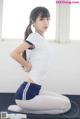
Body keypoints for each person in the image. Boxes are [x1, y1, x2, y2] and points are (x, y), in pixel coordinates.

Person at [8, 6, 71, 114]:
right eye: (41, 19)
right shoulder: (34, 37)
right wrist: (27, 65)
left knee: (67, 101)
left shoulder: (41, 40)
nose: (46, 22)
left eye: (47, 19)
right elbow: (13, 53)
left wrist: (27, 63)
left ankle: (25, 109)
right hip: (26, 94)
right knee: (65, 106)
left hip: (36, 90)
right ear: (33, 22)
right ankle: (25, 109)